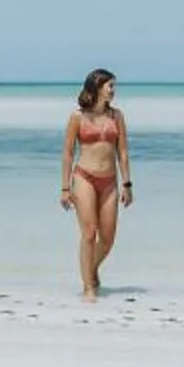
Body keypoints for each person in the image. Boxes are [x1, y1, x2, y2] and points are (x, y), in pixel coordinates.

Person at [59, 68, 133, 301]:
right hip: (84, 178)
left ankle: (91, 268)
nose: (113, 91)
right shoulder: (77, 117)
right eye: (110, 86)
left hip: (110, 181)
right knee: (89, 233)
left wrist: (127, 184)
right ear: (97, 87)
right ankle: (88, 286)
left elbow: (122, 152)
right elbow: (68, 153)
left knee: (108, 238)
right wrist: (64, 187)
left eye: (114, 86)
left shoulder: (117, 116)